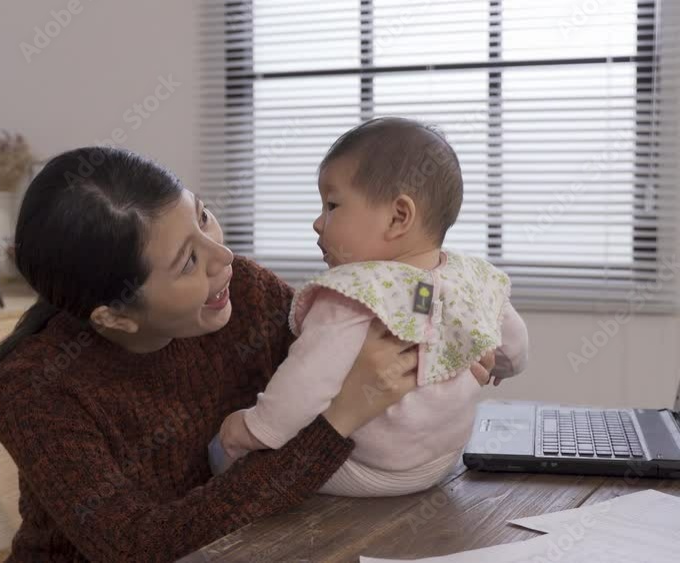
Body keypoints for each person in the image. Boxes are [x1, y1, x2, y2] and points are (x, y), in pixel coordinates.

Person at [0, 146, 496, 562]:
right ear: (116, 316)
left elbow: (344, 355)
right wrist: (339, 422)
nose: (223, 257)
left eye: (204, 217)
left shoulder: (246, 291)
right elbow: (137, 546)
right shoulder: (39, 389)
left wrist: (439, 348)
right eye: (187, 262)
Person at [214, 118, 528, 497]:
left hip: (368, 469)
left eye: (332, 205)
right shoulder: (470, 275)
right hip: (443, 459)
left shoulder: (352, 291)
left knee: (229, 455)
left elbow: (306, 384)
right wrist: (502, 366)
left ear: (398, 217)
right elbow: (514, 346)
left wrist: (254, 428)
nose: (317, 223)